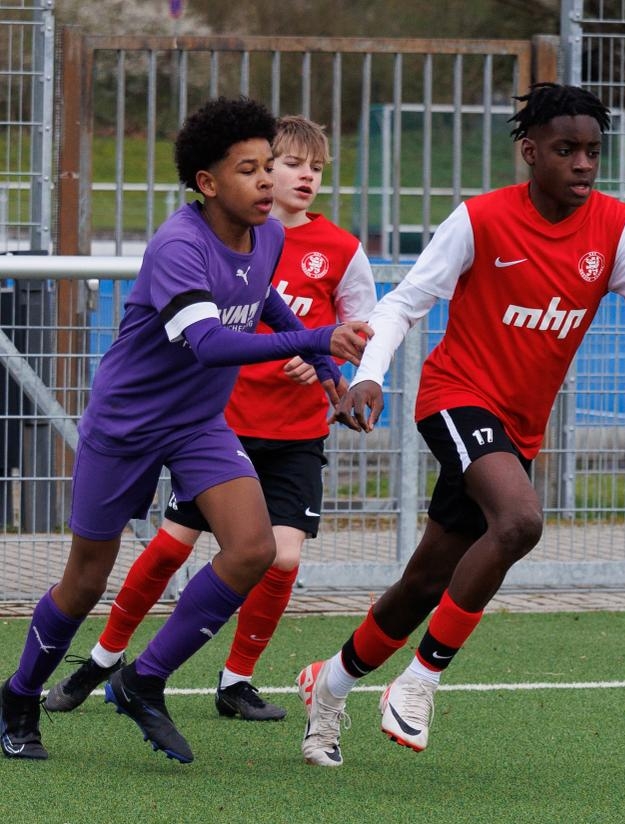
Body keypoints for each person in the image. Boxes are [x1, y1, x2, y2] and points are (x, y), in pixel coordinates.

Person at [294, 82, 625, 768]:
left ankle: (327, 686)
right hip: (455, 397)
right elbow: (402, 304)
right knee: (519, 522)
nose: (583, 163)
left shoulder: (617, 226)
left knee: (425, 583)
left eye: (593, 151)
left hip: (516, 429)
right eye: (566, 150)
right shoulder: (480, 219)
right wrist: (369, 374)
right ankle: (419, 681)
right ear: (530, 152)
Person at [0, 96, 370, 764]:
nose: (267, 181)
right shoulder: (178, 244)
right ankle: (20, 694)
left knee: (254, 548)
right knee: (85, 582)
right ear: (207, 182)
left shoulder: (268, 235)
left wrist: (323, 367)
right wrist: (321, 337)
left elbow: (266, 300)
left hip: (198, 423)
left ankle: (142, 681)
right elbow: (209, 343)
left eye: (269, 166)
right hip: (127, 425)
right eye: (249, 170)